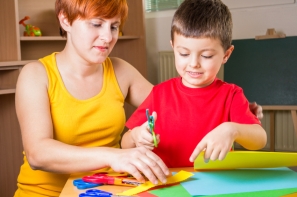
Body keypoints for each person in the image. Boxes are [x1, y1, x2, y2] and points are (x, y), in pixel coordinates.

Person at [14, 0, 170, 196]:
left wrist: (142, 134)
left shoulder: (121, 70)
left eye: (114, 26)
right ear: (65, 20)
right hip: (46, 193)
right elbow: (38, 154)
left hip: (107, 190)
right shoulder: (35, 75)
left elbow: (171, 110)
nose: (108, 37)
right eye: (96, 24)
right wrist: (113, 156)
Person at [121, 0, 267, 168]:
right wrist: (136, 136)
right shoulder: (159, 94)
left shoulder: (231, 95)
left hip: (213, 184)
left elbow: (260, 139)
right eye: (183, 53)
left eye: (206, 56)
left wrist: (232, 129)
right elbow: (125, 143)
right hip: (167, 183)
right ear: (173, 47)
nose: (194, 63)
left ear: (226, 55)